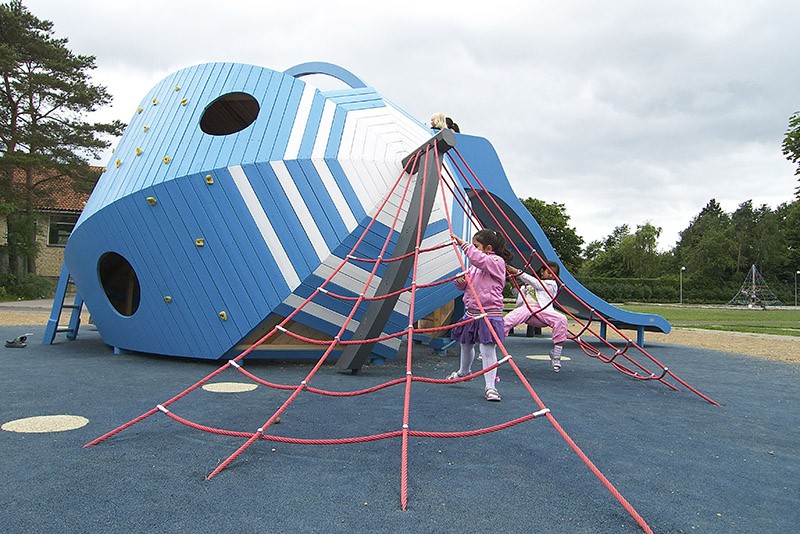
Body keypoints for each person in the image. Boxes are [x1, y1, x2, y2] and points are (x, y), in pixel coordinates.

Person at [447, 229, 514, 401]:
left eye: (476, 245)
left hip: (489, 313)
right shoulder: (475, 267)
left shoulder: (496, 262)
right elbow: (466, 283)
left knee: (487, 349)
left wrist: (463, 244)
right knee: (465, 344)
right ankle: (464, 371)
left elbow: (479, 259)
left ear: (488, 248)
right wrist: (460, 282)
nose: (473, 249)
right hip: (472, 312)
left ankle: (490, 386)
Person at [504, 261, 568, 372]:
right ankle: (491, 347)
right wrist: (511, 279)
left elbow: (537, 283)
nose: (551, 276)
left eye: (554, 274)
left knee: (562, 319)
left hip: (543, 310)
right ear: (542, 271)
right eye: (549, 272)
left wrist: (517, 271)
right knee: (506, 321)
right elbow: (519, 295)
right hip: (526, 309)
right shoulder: (527, 285)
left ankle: (556, 354)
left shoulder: (551, 284)